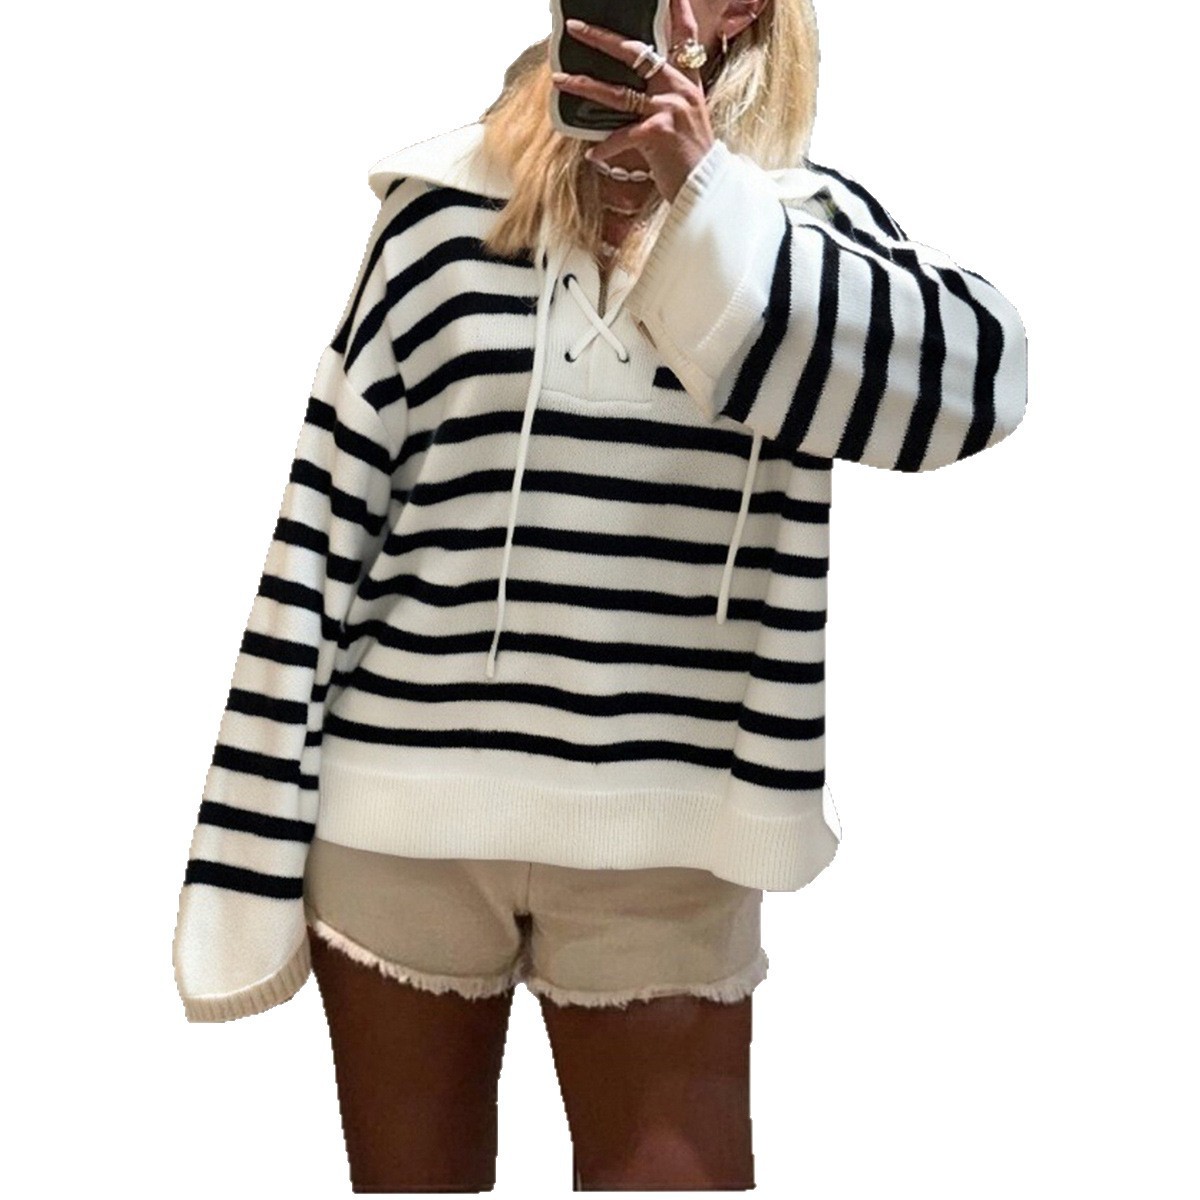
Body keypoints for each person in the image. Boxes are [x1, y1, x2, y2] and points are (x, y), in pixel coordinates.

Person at [172, 0, 1028, 1191]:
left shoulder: (801, 228)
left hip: (668, 837)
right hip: (403, 817)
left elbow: (983, 390)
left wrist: (708, 205)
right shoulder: (440, 214)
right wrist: (248, 844)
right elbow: (324, 518)